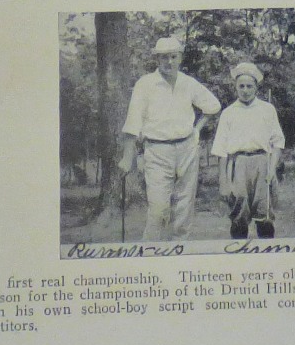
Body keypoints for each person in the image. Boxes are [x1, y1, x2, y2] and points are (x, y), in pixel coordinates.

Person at [118, 37, 221, 241]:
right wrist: (127, 157)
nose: (169, 62)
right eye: (164, 57)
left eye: (174, 57)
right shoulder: (145, 84)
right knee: (158, 210)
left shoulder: (188, 83)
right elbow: (133, 122)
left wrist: (196, 130)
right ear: (157, 59)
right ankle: (149, 254)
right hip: (157, 151)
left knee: (184, 207)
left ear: (180, 57)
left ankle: (179, 252)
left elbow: (213, 105)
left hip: (187, 149)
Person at [211, 62, 285, 239]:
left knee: (264, 216)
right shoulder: (229, 113)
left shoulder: (267, 110)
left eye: (249, 86)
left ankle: (268, 258)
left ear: (256, 87)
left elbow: (278, 142)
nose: (245, 90)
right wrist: (223, 182)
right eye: (241, 86)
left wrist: (272, 169)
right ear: (235, 87)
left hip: (262, 163)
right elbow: (221, 150)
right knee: (239, 215)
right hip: (238, 165)